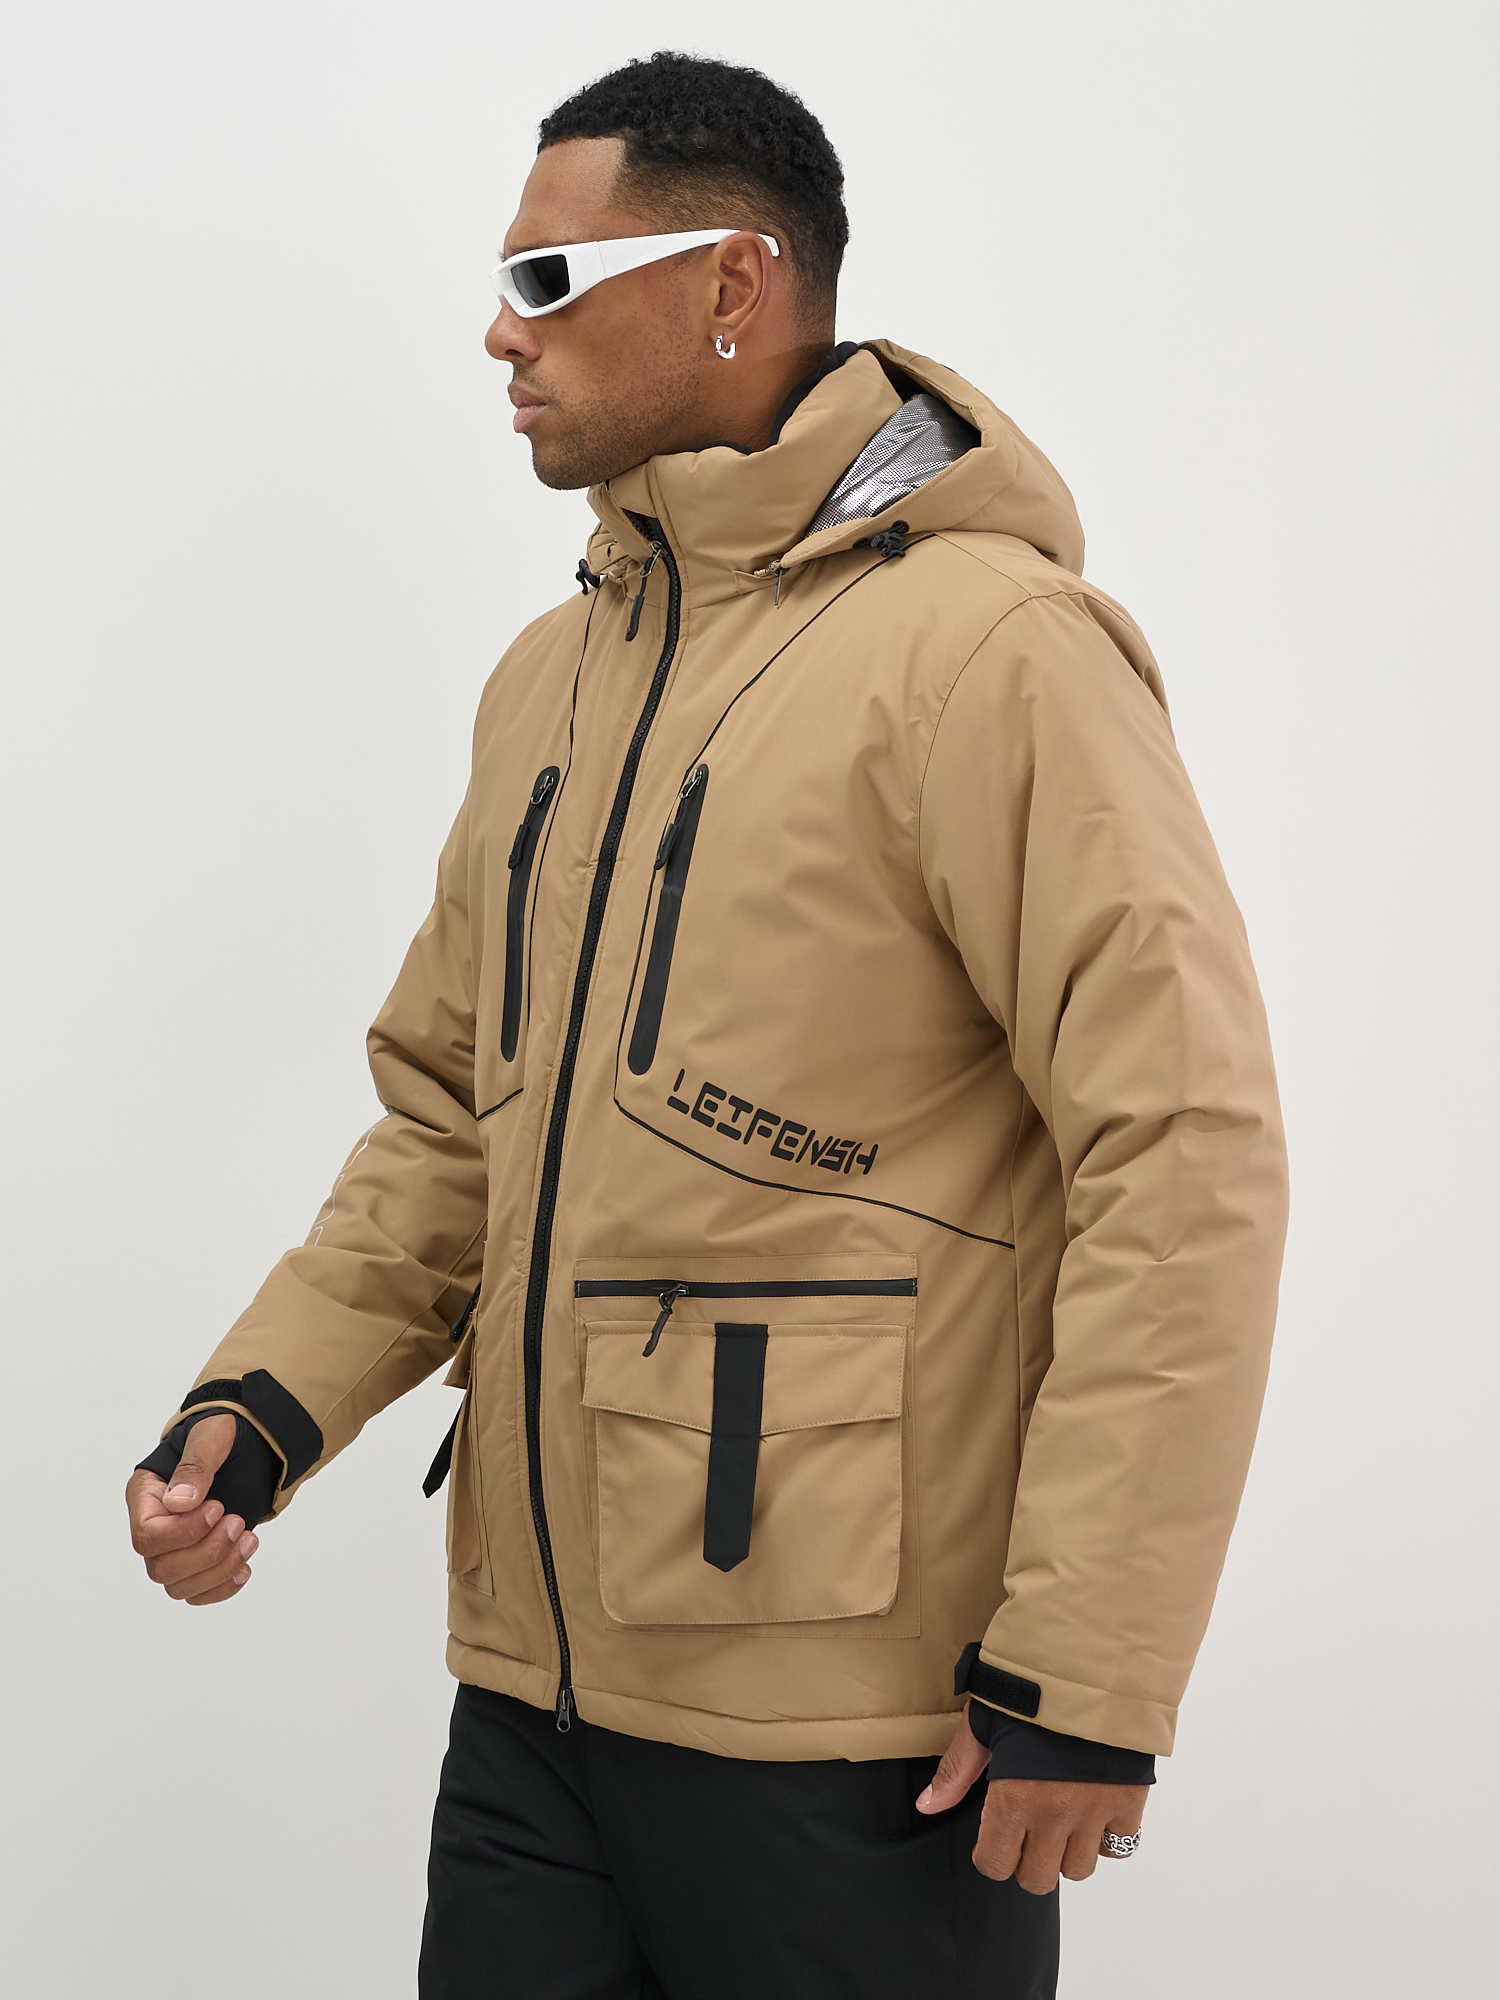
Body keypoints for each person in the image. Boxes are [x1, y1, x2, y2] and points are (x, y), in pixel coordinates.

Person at [126, 50, 1288, 1999]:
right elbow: (453, 1117)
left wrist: (1090, 1671)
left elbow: (1184, 1150)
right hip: (533, 1709)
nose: (502, 333)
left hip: (866, 1745)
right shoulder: (550, 678)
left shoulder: (992, 652)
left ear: (735, 283)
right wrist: (259, 1410)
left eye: (550, 281)